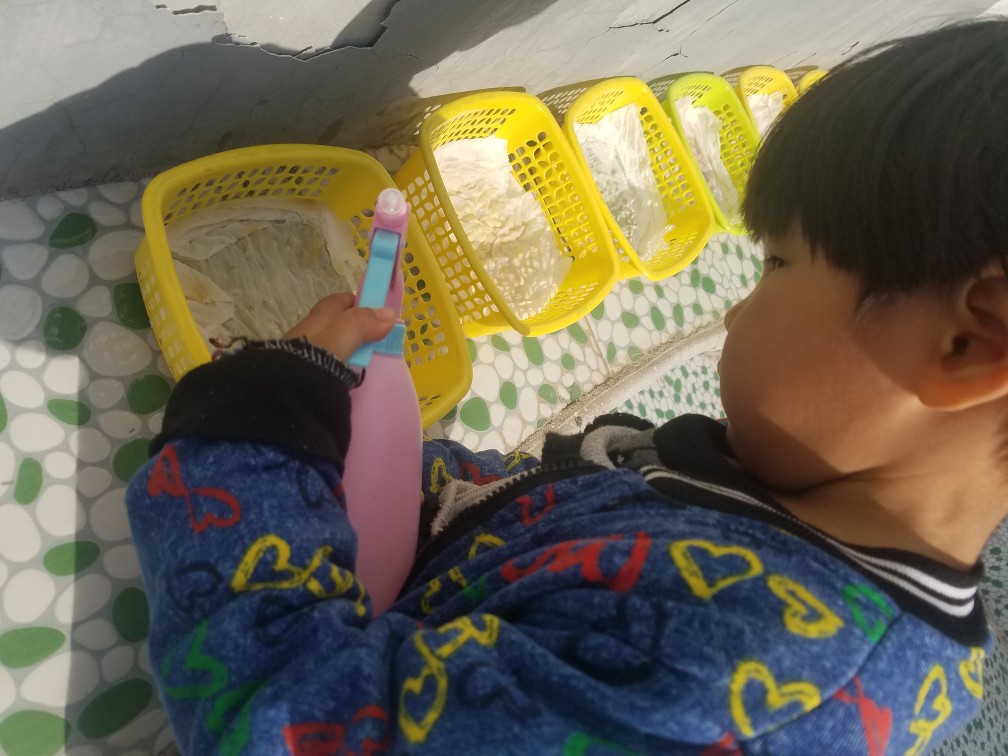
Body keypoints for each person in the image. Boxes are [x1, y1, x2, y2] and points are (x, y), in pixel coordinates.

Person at [126, 19, 1008, 755]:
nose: (736, 310)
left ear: (969, 343)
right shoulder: (791, 485)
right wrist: (378, 457)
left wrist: (254, 433)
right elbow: (544, 515)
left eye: (778, 264)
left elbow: (288, 719)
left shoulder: (736, 688)